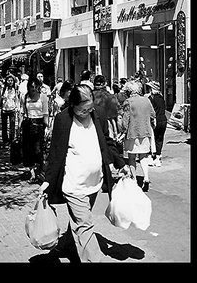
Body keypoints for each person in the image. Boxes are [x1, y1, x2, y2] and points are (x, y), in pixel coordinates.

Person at [38, 84, 116, 263]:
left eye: (90, 108)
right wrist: (47, 181)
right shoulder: (63, 120)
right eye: (83, 110)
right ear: (72, 105)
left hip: (94, 183)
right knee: (85, 225)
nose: (87, 112)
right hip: (74, 184)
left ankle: (66, 245)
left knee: (80, 219)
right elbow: (56, 153)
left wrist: (120, 163)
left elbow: (107, 142)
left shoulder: (98, 115)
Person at [119, 80, 156, 192]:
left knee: (131, 158)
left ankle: (134, 180)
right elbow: (153, 114)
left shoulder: (128, 102)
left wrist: (122, 132)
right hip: (145, 131)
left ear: (129, 91)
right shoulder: (146, 100)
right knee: (143, 156)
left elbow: (126, 120)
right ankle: (146, 177)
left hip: (132, 133)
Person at [19, 76, 49, 184]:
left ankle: (40, 171)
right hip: (28, 124)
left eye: (35, 86)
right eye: (31, 87)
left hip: (39, 124)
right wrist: (19, 126)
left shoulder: (43, 97)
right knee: (28, 149)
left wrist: (47, 128)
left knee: (38, 149)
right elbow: (22, 112)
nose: (33, 89)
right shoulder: (24, 96)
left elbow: (45, 113)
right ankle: (32, 173)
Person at [93, 75, 125, 170]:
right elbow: (117, 115)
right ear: (105, 84)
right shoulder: (111, 97)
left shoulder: (89, 96)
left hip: (92, 122)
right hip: (108, 124)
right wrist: (119, 132)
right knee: (109, 145)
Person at [146, 80, 167, 167]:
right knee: (160, 139)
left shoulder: (151, 98)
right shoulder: (161, 97)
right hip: (163, 119)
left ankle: (152, 156)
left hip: (155, 120)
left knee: (152, 139)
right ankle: (158, 157)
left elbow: (150, 111)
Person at [1, 74, 19, 148]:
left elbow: (17, 99)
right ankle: (5, 141)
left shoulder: (16, 89)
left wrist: (17, 108)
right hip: (4, 109)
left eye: (11, 80)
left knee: (12, 126)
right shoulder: (3, 89)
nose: (10, 82)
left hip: (12, 109)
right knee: (4, 126)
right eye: (8, 80)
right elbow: (0, 98)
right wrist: (0, 107)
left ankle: (12, 140)